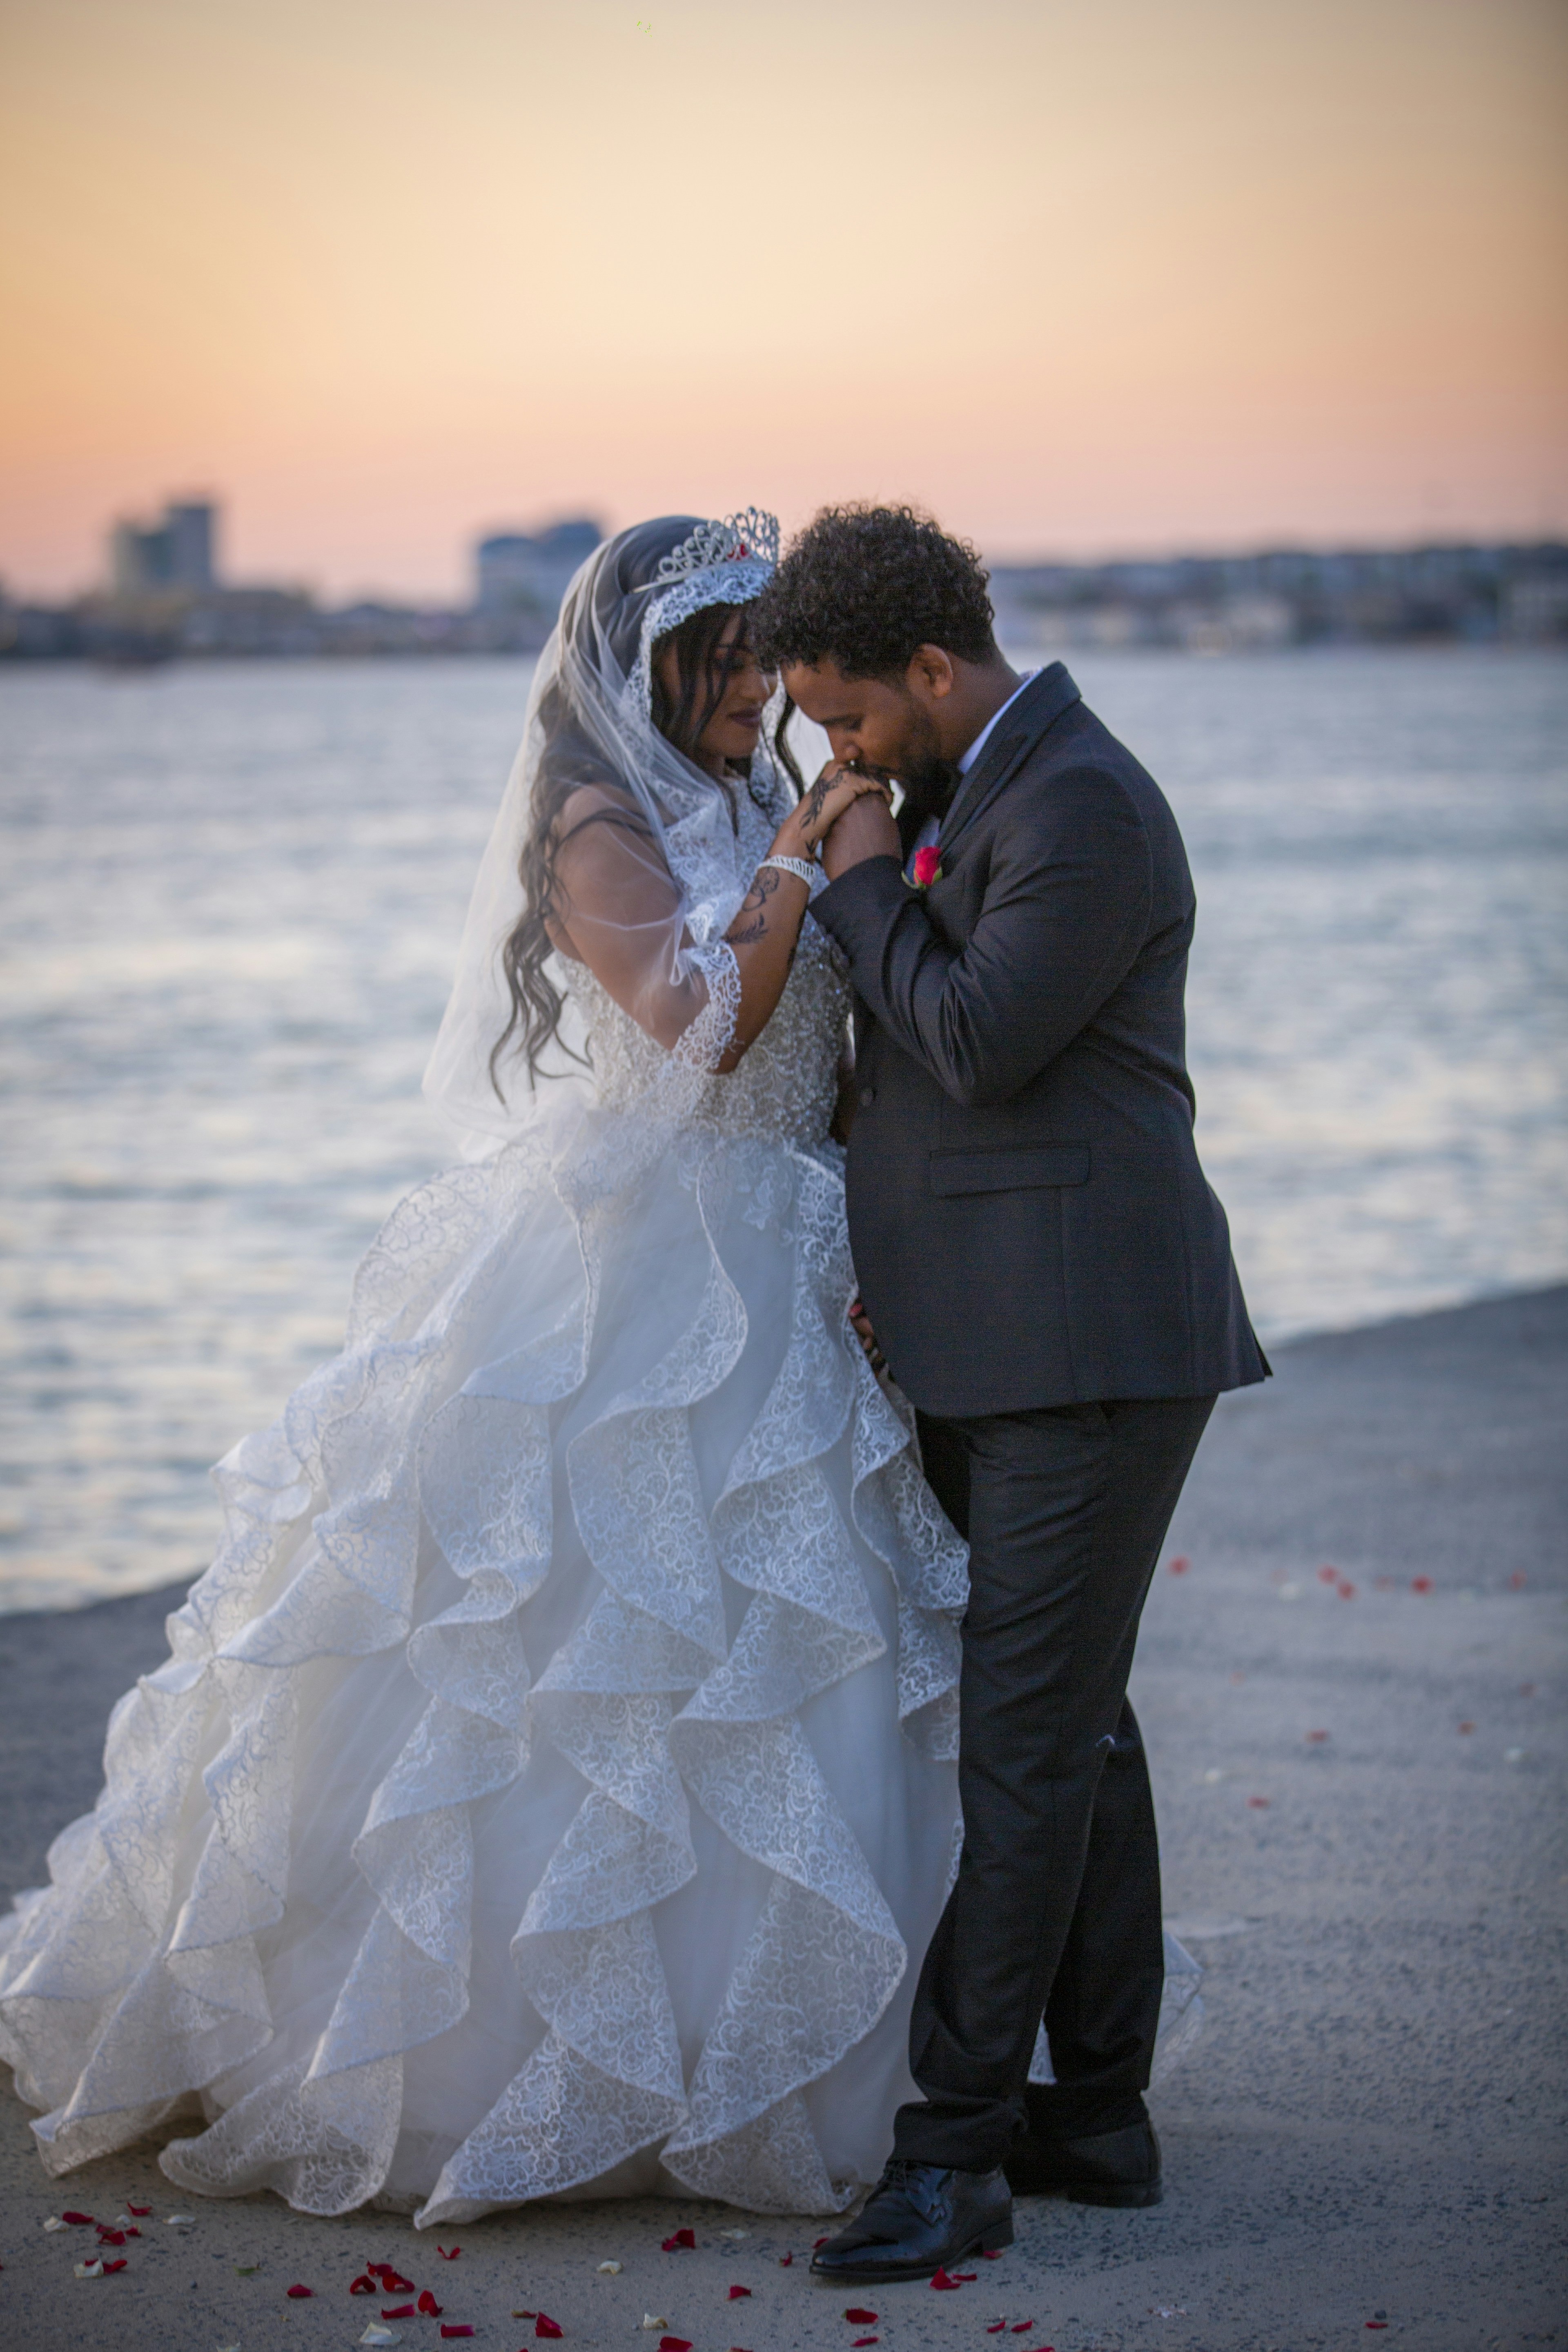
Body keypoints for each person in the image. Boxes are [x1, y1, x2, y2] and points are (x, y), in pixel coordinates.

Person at [0, 514, 971, 2225]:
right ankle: (495, 2061)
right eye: (728, 661)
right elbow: (691, 1023)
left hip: (796, 1257)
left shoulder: (761, 799)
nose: (759, 688)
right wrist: (800, 877)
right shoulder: (595, 815)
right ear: (649, 669)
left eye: (766, 659)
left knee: (797, 1660)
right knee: (583, 1667)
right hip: (648, 1263)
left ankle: (806, 2043)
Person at [751, 504, 1269, 2284]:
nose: (837, 753)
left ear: (931, 664)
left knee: (1027, 1759)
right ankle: (1100, 2118)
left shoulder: (1085, 804)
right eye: (816, 728)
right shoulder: (986, 786)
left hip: (1090, 1349)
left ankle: (954, 2151)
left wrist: (854, 875)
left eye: (849, 716)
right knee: (1081, 1737)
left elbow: (973, 1042)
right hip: (997, 1339)